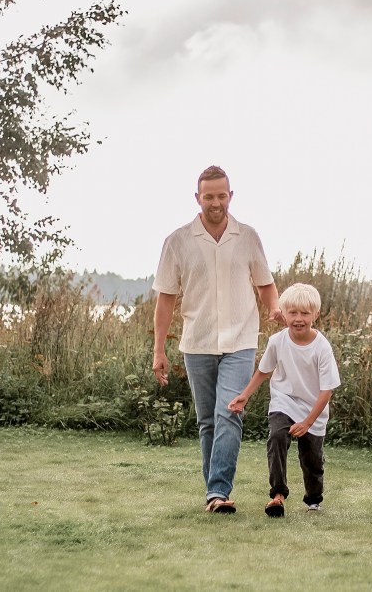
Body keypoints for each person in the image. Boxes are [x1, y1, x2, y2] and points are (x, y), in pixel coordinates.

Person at [152, 165, 281, 514]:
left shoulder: (248, 236)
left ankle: (218, 492)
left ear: (230, 196)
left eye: (221, 195)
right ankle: (215, 492)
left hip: (241, 341)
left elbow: (265, 283)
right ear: (198, 198)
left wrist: (274, 307)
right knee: (207, 421)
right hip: (197, 343)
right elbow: (165, 299)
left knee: (229, 413)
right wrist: (159, 349)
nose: (215, 202)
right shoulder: (177, 241)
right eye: (208, 196)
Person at [227, 283, 341, 517]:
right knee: (277, 437)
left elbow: (327, 390)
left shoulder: (321, 347)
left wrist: (308, 422)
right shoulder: (277, 342)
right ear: (283, 313)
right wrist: (245, 396)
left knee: (312, 459)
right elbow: (264, 371)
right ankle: (278, 496)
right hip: (284, 401)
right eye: (293, 313)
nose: (298, 319)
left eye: (305, 313)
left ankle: (313, 501)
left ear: (315, 315)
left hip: (314, 409)